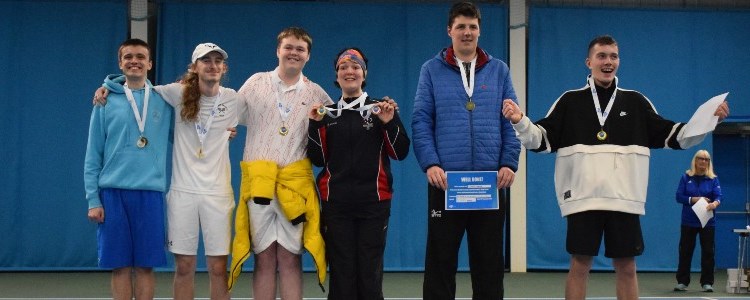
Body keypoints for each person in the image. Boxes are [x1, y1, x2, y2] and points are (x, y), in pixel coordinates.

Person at [501, 35, 730, 299]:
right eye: (602, 56)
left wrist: (707, 121)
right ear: (589, 62)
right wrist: (520, 121)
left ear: (618, 61)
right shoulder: (569, 101)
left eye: (613, 56)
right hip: (582, 200)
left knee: (627, 267)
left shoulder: (636, 102)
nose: (608, 62)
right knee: (579, 266)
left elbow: (674, 135)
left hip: (624, 200)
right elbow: (540, 140)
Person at [95, 42, 243, 299]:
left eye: (217, 61)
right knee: (184, 267)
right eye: (205, 61)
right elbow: (136, 85)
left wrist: (231, 131)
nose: (212, 65)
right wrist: (107, 87)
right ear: (195, 67)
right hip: (182, 193)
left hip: (218, 195)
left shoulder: (235, 99)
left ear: (224, 67)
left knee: (218, 267)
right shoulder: (175, 93)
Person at [411, 1, 521, 299]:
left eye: (473, 26)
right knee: (440, 262)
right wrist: (430, 164)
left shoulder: (498, 70)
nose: (467, 32)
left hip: (489, 183)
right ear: (450, 30)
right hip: (445, 183)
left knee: (489, 265)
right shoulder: (431, 70)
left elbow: (511, 118)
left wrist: (509, 163)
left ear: (480, 31)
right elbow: (421, 119)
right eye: (461, 26)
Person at [228, 27, 332, 300]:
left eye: (300, 49)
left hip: (294, 187)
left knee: (289, 259)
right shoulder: (255, 83)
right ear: (278, 50)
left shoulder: (317, 94)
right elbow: (225, 114)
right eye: (289, 47)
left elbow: (341, 125)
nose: (293, 53)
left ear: (308, 56)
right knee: (263, 259)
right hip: (259, 186)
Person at [306, 48, 410, 299]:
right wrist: (314, 124)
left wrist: (389, 122)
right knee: (342, 269)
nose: (349, 71)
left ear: (364, 74)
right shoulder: (327, 114)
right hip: (336, 204)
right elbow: (318, 159)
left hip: (374, 203)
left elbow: (400, 152)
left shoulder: (380, 110)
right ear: (337, 75)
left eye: (355, 66)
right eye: (343, 67)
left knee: (369, 270)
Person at [84, 38, 172, 300]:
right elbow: (93, 153)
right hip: (112, 194)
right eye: (129, 57)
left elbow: (189, 134)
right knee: (120, 266)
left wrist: (222, 132)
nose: (135, 61)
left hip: (150, 193)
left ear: (150, 63)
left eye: (140, 57)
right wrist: (93, 199)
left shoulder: (163, 100)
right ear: (120, 63)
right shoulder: (105, 101)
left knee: (145, 266)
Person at [673, 150, 722, 292]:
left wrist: (715, 204)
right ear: (695, 161)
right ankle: (682, 281)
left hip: (707, 222)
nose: (703, 162)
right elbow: (679, 197)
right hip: (689, 221)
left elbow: (719, 196)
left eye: (706, 160)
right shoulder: (685, 177)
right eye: (701, 159)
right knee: (685, 251)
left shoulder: (713, 179)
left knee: (708, 252)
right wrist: (693, 199)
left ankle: (707, 282)